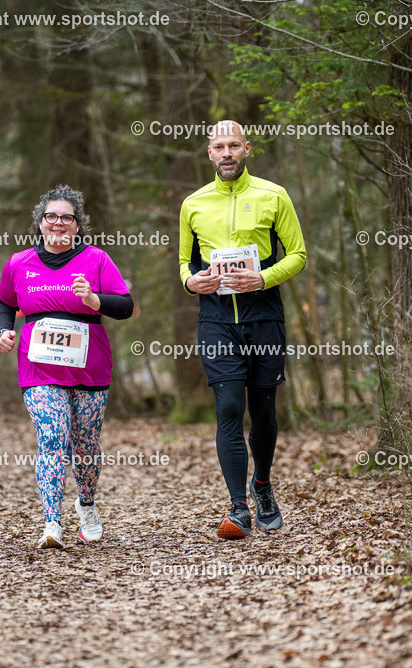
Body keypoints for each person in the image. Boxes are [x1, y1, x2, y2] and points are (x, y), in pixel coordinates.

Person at [178, 120, 307, 540]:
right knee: (229, 408)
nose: (228, 152)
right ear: (209, 153)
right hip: (217, 321)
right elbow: (185, 263)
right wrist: (189, 281)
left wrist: (265, 278)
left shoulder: (273, 195)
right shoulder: (193, 204)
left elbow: (300, 254)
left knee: (264, 412)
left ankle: (263, 485)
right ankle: (238, 507)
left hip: (264, 317)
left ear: (247, 148)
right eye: (220, 146)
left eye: (234, 145)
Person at [0, 185, 134, 549]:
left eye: (66, 218)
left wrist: (94, 299)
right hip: (38, 367)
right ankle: (52, 524)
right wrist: (4, 330)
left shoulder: (97, 259)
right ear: (40, 223)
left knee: (86, 446)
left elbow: (125, 305)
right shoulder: (18, 263)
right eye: (51, 217)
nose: (58, 223)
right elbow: (2, 303)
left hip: (90, 367)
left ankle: (86, 505)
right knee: (53, 439)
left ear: (77, 225)